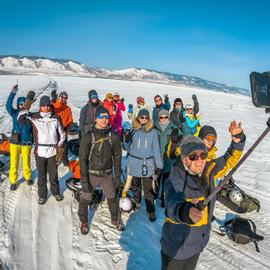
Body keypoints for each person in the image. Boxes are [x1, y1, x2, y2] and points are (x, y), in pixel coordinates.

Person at [160, 121, 246, 270]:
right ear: (184, 158)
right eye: (193, 156)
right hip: (176, 250)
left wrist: (237, 139)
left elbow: (229, 159)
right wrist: (185, 211)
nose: (199, 160)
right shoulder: (175, 177)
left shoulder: (208, 169)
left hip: (198, 244)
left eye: (203, 155)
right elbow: (171, 202)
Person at [78, 106, 123, 234]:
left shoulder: (113, 136)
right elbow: (83, 159)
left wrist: (118, 176)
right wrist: (84, 180)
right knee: (85, 198)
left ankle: (115, 220)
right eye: (101, 117)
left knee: (112, 198)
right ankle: (84, 221)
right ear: (95, 119)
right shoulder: (88, 137)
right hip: (92, 173)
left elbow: (118, 157)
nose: (104, 120)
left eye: (106, 117)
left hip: (107, 173)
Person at [18, 96, 66, 204]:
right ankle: (42, 195)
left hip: (53, 151)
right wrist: (27, 105)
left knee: (53, 175)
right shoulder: (34, 117)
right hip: (40, 151)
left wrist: (59, 146)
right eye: (44, 105)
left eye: (48, 105)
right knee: (41, 175)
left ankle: (56, 192)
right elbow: (20, 120)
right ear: (40, 106)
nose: (46, 107)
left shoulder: (56, 118)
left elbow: (62, 134)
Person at [123, 108, 163, 222]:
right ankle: (137, 202)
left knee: (148, 189)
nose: (144, 119)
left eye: (146, 117)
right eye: (142, 117)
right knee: (135, 186)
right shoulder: (133, 130)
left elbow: (156, 150)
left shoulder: (153, 132)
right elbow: (126, 148)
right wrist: (126, 139)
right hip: (134, 163)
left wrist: (159, 166)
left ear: (148, 119)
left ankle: (151, 211)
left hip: (147, 164)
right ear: (138, 118)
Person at [6, 84, 33, 190]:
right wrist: (13, 92)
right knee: (14, 163)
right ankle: (13, 181)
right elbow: (8, 105)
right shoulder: (14, 113)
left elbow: (33, 130)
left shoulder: (29, 115)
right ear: (18, 105)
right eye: (20, 104)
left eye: (24, 103)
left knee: (26, 162)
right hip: (15, 142)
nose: (22, 105)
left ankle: (27, 176)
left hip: (26, 143)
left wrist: (33, 141)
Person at [154, 109, 182, 207]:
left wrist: (177, 142)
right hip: (157, 160)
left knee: (166, 181)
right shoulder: (154, 128)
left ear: (169, 118)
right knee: (156, 180)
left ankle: (164, 199)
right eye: (161, 117)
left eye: (166, 117)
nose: (164, 119)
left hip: (169, 160)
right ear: (159, 118)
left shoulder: (174, 129)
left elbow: (182, 140)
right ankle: (154, 196)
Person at [51, 91, 73, 166]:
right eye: (62, 97)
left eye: (65, 98)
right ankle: (53, 160)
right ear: (59, 97)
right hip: (55, 130)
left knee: (64, 147)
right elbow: (49, 109)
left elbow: (70, 120)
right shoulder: (55, 106)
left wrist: (66, 127)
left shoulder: (68, 109)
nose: (63, 99)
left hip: (64, 131)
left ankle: (65, 161)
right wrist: (53, 100)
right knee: (54, 146)